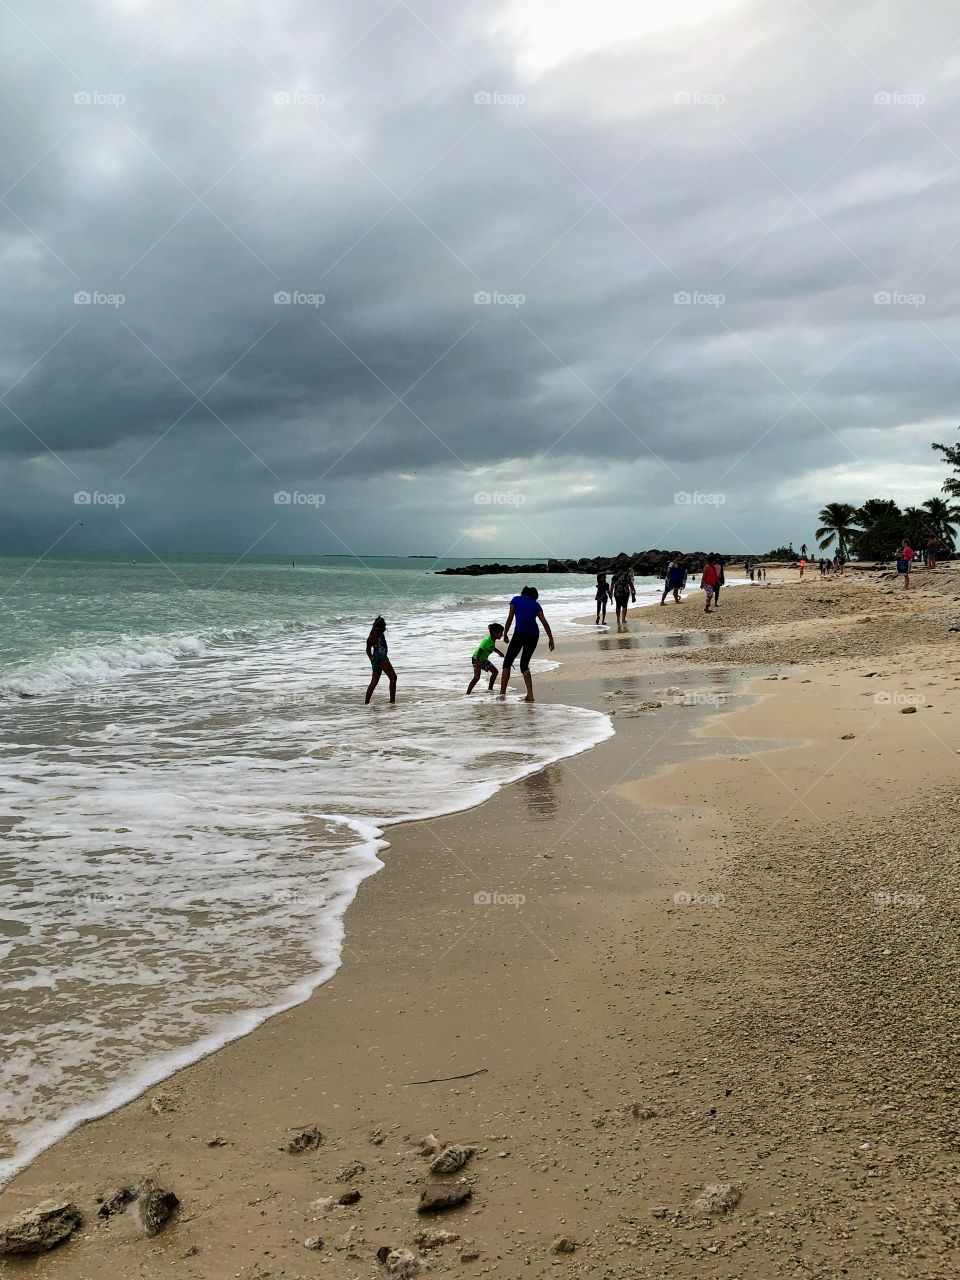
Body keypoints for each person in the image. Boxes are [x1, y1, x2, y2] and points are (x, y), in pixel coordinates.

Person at [499, 586, 554, 702]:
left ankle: (502, 694)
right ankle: (530, 695)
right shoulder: (536, 605)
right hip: (533, 635)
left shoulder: (516, 600)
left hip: (519, 633)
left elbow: (510, 618)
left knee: (507, 662)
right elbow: (544, 622)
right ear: (534, 596)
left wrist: (505, 634)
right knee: (524, 664)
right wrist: (551, 638)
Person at [365, 615, 397, 704]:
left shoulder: (374, 635)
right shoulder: (373, 637)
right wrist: (373, 659)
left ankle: (366, 703)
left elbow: (368, 650)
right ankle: (392, 702)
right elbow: (367, 650)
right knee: (393, 678)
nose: (385, 629)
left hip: (376, 659)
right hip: (381, 658)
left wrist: (372, 659)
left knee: (374, 683)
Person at [467, 622, 505, 694]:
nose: (502, 635)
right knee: (477, 677)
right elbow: (480, 650)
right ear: (494, 633)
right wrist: (477, 662)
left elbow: (492, 647)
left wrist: (499, 652)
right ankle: (467, 693)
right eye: (500, 633)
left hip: (483, 660)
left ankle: (490, 689)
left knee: (495, 672)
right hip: (477, 658)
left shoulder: (492, 640)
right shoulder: (487, 640)